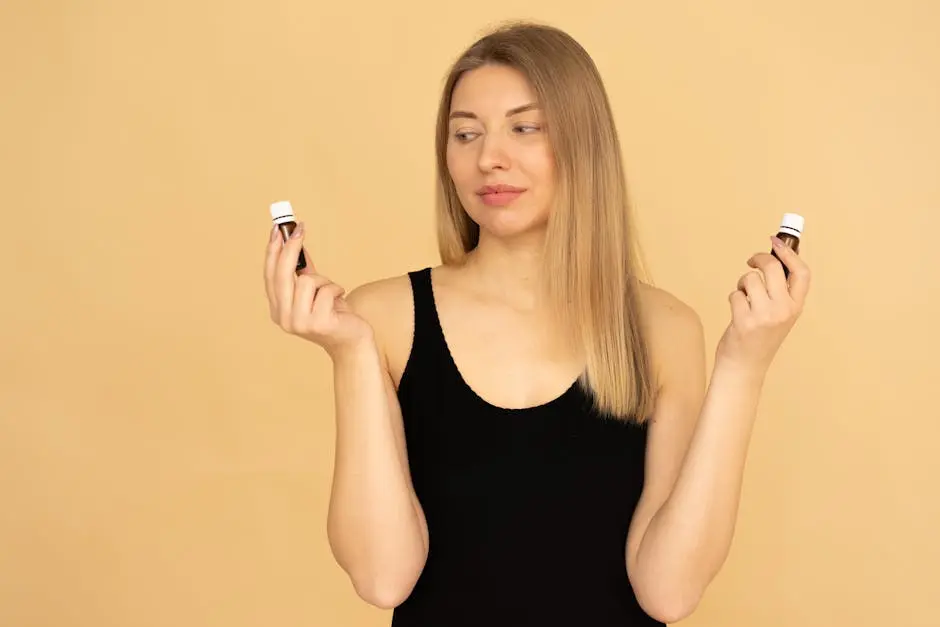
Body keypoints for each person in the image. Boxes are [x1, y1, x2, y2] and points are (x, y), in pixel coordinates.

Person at [262, 21, 811, 627]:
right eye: (465, 134)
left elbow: (669, 593)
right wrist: (349, 356)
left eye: (524, 128)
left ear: (583, 144)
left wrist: (745, 365)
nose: (488, 159)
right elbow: (382, 577)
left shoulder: (664, 329)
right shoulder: (383, 319)